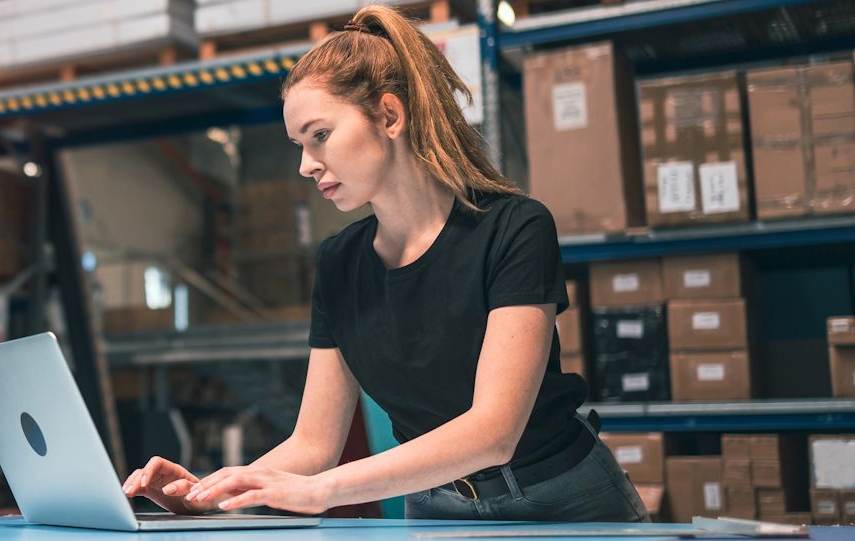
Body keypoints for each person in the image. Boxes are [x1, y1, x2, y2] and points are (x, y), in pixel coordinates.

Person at [121, 5, 649, 522]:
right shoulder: (338, 263)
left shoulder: (515, 228)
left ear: (389, 116)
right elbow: (312, 443)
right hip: (434, 506)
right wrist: (213, 493)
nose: (306, 165)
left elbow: (494, 431)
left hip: (562, 501)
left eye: (319, 135)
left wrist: (322, 490)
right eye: (298, 145)